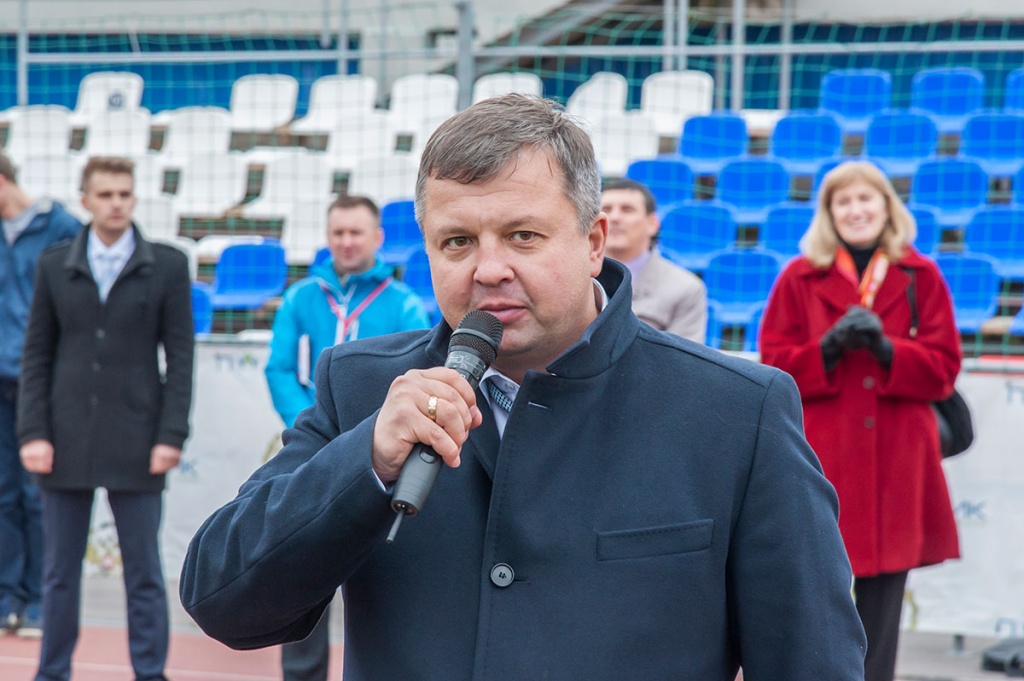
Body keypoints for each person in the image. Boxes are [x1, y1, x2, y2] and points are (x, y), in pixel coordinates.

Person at [180, 94, 866, 679]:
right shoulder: (360, 389)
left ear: (595, 241)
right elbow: (225, 601)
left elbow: (812, 660)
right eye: (457, 242)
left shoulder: (737, 413)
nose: (488, 268)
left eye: (524, 236)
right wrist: (366, 460)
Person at [759, 160, 961, 681]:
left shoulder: (922, 275)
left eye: (866, 199)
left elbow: (943, 370)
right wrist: (824, 350)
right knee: (815, 582)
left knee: (886, 593)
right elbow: (774, 368)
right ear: (829, 213)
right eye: (843, 201)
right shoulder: (798, 277)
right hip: (825, 452)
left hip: (899, 453)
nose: (856, 210)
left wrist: (887, 349)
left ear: (886, 208)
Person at [18, 156, 194, 681]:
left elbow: (180, 357)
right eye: (106, 194)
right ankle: (51, 672)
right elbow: (36, 355)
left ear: (134, 199)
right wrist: (33, 432)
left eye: (125, 193)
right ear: (86, 200)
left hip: (139, 439)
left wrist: (171, 434)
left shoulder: (168, 264)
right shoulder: (54, 265)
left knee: (142, 574)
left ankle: (150, 673)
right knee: (58, 575)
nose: (117, 203)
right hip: (63, 437)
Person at [264, 194, 430, 681]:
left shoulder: (402, 302)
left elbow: (416, 373)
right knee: (301, 560)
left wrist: (367, 432)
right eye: (338, 233)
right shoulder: (302, 297)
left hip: (383, 452)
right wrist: (313, 423)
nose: (346, 242)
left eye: (356, 232)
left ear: (378, 239)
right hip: (314, 443)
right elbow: (278, 368)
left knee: (380, 571)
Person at [0, 152, 82, 637]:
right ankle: (8, 595)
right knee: (2, 495)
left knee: (38, 496)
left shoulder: (61, 227)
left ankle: (38, 602)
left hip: (41, 383)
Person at [601, 178, 707, 342]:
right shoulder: (572, 278)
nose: (614, 217)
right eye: (606, 209)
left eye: (627, 210)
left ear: (652, 223)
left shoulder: (685, 288)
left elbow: (681, 361)